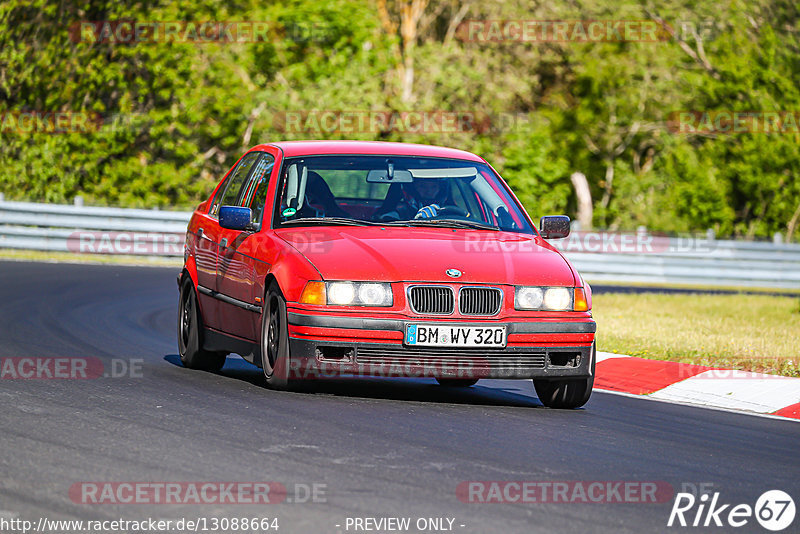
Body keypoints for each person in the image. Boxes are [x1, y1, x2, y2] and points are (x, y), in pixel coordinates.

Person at [375, 178, 450, 221]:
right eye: (422, 186)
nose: (429, 191)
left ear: (440, 190)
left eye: (434, 187)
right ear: (413, 190)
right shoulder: (395, 214)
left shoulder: (450, 212)